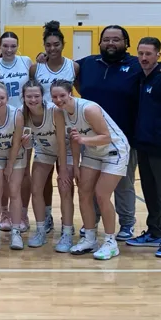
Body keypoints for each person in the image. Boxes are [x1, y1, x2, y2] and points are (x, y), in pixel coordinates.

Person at [51, 79, 130, 260]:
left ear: (70, 93)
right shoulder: (60, 112)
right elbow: (73, 139)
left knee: (101, 195)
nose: (58, 99)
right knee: (84, 193)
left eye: (62, 95)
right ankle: (90, 238)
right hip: (93, 152)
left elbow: (106, 137)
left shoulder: (89, 109)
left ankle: (110, 242)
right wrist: (76, 164)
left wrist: (83, 141)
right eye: (54, 96)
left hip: (114, 150)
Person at [75, 26, 141, 241]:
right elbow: (70, 76)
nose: (110, 43)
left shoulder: (135, 65)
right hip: (91, 137)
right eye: (106, 40)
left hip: (124, 138)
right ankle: (92, 222)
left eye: (116, 39)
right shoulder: (87, 64)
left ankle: (127, 224)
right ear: (100, 43)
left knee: (123, 183)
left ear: (126, 43)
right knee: (91, 183)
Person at [31, 21, 79, 234]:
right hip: (43, 128)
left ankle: (66, 221)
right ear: (44, 46)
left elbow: (78, 95)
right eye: (48, 45)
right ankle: (47, 216)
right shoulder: (36, 67)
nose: (52, 48)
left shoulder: (73, 66)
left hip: (67, 126)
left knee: (65, 176)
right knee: (45, 178)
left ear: (63, 44)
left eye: (56, 44)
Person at [22, 80, 74, 253]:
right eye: (29, 96)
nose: (33, 99)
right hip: (44, 151)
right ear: (23, 97)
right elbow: (28, 143)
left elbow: (61, 140)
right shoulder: (23, 114)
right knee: (36, 189)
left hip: (64, 150)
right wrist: (27, 143)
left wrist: (64, 169)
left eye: (36, 96)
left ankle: (67, 232)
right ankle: (41, 229)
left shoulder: (54, 111)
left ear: (42, 96)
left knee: (65, 188)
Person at [0, 31, 32, 233]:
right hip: (0, 123)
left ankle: (22, 213)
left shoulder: (26, 61)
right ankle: (4, 212)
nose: (9, 49)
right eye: (5, 46)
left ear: (17, 46)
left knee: (23, 171)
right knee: (2, 172)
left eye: (12, 46)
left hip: (23, 120)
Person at [0, 83, 28, 251]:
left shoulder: (17, 114)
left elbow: (16, 143)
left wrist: (9, 165)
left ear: (8, 99)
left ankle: (16, 232)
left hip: (15, 155)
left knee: (14, 190)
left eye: (2, 98)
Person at [126, 37, 161, 256]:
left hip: (159, 146)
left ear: (158, 54)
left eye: (148, 54)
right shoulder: (141, 78)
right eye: (140, 53)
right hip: (144, 144)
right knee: (150, 191)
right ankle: (155, 231)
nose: (144, 58)